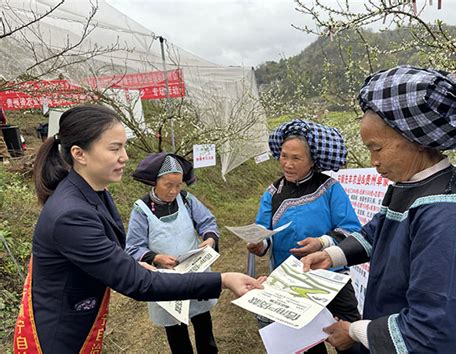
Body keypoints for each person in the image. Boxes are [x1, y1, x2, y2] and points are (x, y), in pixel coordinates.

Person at [13, 104, 263, 353]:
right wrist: (224, 279)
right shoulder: (71, 214)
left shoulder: (95, 192)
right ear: (80, 154)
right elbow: (140, 284)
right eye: (115, 148)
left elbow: (112, 249)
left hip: (82, 319)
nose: (125, 157)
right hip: (60, 335)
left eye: (124, 146)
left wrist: (134, 262)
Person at [302, 65, 456, 353]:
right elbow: (377, 231)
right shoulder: (411, 185)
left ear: (417, 141)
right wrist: (331, 256)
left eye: (377, 149)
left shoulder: (446, 217)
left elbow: (430, 331)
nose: (373, 160)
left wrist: (355, 331)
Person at [247, 119, 362, 354]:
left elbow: (351, 230)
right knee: (306, 344)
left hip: (331, 276)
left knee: (351, 340)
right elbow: (264, 233)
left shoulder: (329, 188)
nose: (288, 164)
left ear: (312, 161)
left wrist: (321, 242)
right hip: (291, 281)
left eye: (296, 158)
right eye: (284, 156)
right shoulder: (273, 193)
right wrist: (259, 244)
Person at [126, 152, 220, 353]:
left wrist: (210, 239)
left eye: (178, 185)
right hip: (166, 279)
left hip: (195, 273)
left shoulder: (186, 200)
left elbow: (207, 222)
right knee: (177, 332)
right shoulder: (141, 210)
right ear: (155, 182)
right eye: (168, 185)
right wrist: (156, 258)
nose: (174, 191)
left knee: (203, 323)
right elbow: (134, 247)